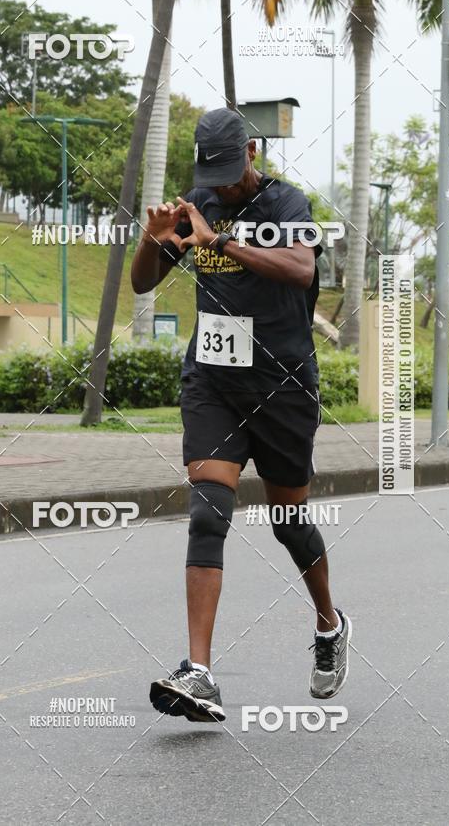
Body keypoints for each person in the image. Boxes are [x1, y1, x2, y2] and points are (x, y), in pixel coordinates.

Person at [131, 108, 351, 723]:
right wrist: (154, 241)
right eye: (214, 175)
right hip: (213, 384)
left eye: (232, 173)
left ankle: (329, 623)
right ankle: (199, 672)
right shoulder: (196, 204)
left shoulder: (288, 205)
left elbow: (302, 269)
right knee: (208, 514)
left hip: (282, 387)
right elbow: (143, 285)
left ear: (252, 153)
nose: (224, 187)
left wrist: (220, 240)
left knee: (288, 521)